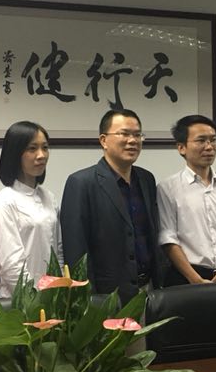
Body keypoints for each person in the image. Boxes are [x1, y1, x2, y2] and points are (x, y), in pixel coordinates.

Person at [61, 109, 163, 304]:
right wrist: (90, 301)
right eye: (124, 134)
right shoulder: (81, 183)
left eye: (137, 135)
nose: (132, 141)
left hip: (149, 290)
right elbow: (76, 251)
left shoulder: (146, 179)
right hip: (107, 297)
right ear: (104, 140)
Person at [157, 115, 216, 287]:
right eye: (201, 141)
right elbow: (168, 237)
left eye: (213, 140)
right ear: (181, 148)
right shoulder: (168, 188)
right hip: (186, 278)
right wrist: (195, 279)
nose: (209, 147)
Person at [0, 121, 63, 299]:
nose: (41, 155)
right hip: (19, 301)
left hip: (50, 299)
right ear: (15, 153)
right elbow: (11, 265)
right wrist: (33, 300)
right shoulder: (4, 202)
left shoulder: (49, 197)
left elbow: (58, 251)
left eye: (45, 148)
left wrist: (58, 292)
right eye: (32, 149)